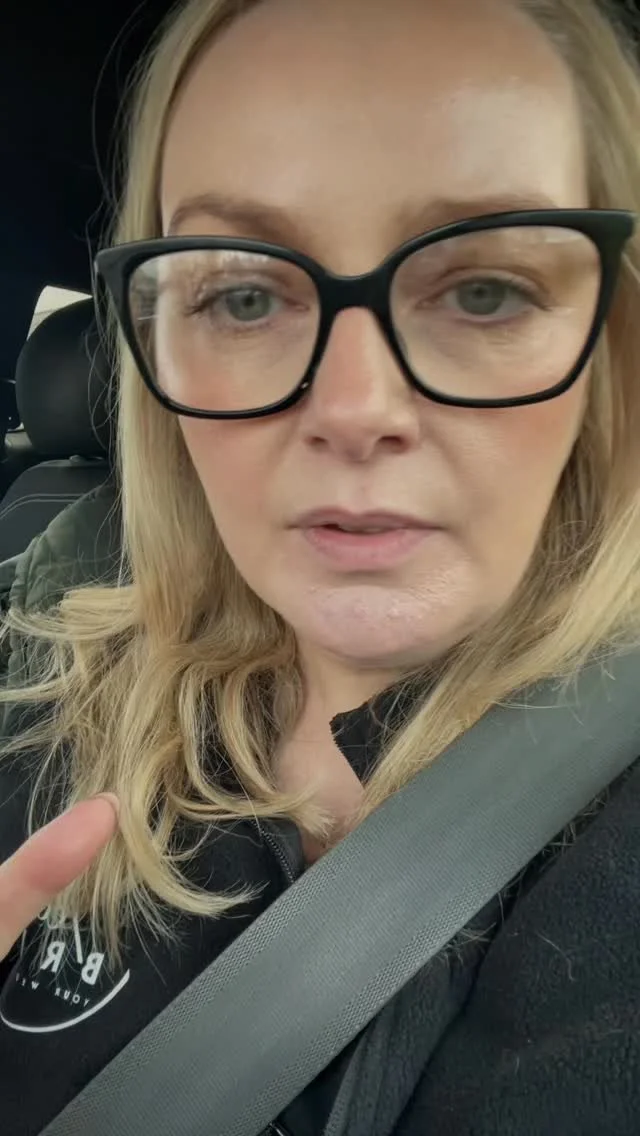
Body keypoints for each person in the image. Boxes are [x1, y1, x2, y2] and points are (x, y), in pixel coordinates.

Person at [2, 0, 640, 1131]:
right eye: (243, 296)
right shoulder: (43, 674)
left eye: (484, 289)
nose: (353, 408)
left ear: (611, 349)